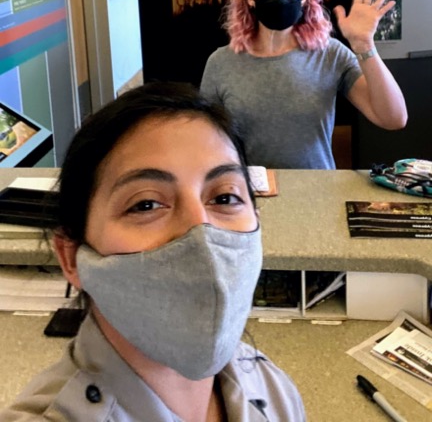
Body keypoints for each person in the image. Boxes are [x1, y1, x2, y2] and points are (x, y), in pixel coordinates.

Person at [0, 82, 305, 422]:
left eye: (224, 197)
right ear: (70, 257)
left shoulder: (272, 388)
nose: (201, 233)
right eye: (145, 204)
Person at [200, 0, 408, 169]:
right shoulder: (221, 62)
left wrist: (365, 45)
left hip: (316, 192)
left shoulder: (330, 53)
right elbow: (205, 141)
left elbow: (393, 118)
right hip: (249, 195)